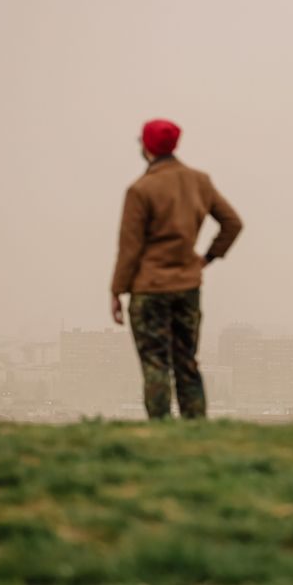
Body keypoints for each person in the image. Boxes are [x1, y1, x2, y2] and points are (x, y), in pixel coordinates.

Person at [110, 119, 243, 419]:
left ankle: (160, 429)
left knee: (156, 364)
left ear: (146, 147)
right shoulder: (200, 181)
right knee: (187, 362)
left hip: (150, 289)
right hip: (187, 287)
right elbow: (232, 223)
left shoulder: (141, 190)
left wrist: (117, 290)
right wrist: (207, 258)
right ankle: (195, 428)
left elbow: (129, 249)